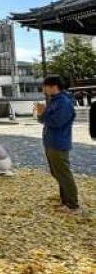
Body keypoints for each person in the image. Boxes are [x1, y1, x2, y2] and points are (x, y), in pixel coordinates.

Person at [36, 75, 80, 214]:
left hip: (58, 142)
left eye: (45, 86)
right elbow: (46, 119)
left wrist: (42, 114)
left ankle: (72, 204)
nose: (44, 89)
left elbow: (56, 122)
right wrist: (42, 114)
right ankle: (65, 200)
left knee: (63, 173)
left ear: (53, 86)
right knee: (57, 172)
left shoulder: (64, 102)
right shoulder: (55, 100)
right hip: (51, 141)